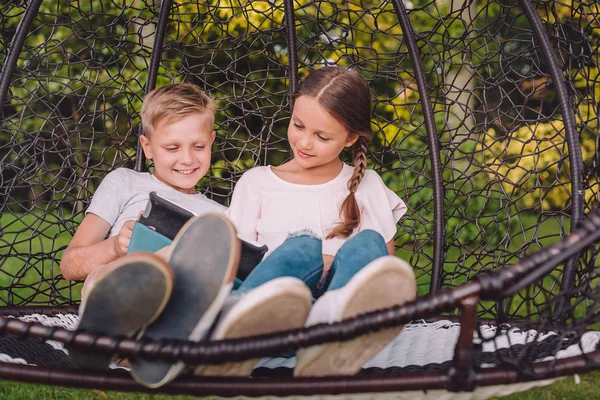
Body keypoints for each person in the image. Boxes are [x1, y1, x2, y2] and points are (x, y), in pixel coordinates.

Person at [194, 66, 417, 378]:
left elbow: (384, 270)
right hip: (275, 318)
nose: (305, 142)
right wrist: (315, 258)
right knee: (302, 246)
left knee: (369, 243)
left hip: (342, 316)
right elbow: (241, 262)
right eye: (298, 125)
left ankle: (331, 333)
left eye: (322, 136)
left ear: (351, 138)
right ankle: (229, 330)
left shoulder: (367, 184)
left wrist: (333, 263)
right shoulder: (256, 183)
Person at [60, 83, 240, 385]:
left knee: (194, 255)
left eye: (198, 146)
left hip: (183, 303)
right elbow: (69, 265)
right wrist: (117, 247)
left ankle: (144, 344)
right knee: (132, 272)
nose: (187, 159)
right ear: (147, 147)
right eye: (172, 148)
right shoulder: (125, 183)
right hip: (116, 285)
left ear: (211, 142)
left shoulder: (221, 216)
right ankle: (116, 334)